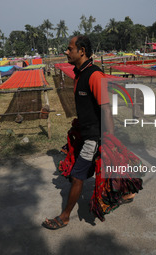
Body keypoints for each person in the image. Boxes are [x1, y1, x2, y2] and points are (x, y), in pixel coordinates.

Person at [42, 36, 135, 230]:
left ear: (81, 50)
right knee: (106, 165)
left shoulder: (95, 76)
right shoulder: (80, 73)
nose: (66, 52)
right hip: (86, 132)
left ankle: (65, 216)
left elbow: (106, 109)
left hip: (94, 135)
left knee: (77, 176)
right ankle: (127, 192)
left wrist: (109, 139)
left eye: (69, 48)